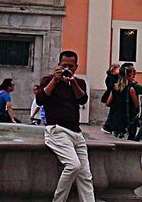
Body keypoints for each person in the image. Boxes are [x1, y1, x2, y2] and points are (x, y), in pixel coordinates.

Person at [35, 50, 93, 202]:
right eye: (64, 65)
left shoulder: (79, 83)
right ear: (58, 65)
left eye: (71, 66)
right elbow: (41, 99)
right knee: (73, 165)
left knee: (85, 175)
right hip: (57, 129)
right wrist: (55, 80)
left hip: (76, 132)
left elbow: (82, 100)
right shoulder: (48, 79)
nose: (67, 69)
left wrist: (72, 82)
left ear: (76, 67)